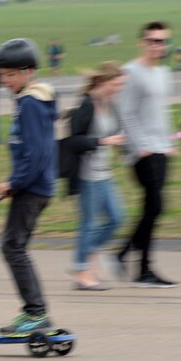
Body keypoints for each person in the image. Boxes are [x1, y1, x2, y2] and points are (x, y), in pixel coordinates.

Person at [0, 38, 58, 335]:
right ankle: (35, 312)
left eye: (11, 75)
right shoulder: (31, 101)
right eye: (2, 75)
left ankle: (35, 313)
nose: (5, 81)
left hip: (32, 189)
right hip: (34, 187)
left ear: (29, 71)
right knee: (14, 247)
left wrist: (15, 183)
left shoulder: (30, 104)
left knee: (12, 247)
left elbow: (38, 153)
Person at [113, 21, 177, 288]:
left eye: (161, 41)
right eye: (152, 41)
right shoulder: (131, 72)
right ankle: (143, 269)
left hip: (162, 147)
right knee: (155, 205)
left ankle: (124, 254)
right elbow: (125, 112)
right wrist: (140, 147)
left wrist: (171, 139)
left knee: (154, 207)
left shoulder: (164, 72)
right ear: (142, 42)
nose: (157, 46)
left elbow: (161, 110)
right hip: (142, 150)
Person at [61, 62, 128, 291]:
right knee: (88, 225)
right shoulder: (86, 106)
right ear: (103, 83)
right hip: (87, 176)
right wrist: (102, 141)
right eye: (116, 84)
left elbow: (117, 131)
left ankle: (86, 257)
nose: (119, 88)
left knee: (118, 218)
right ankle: (82, 271)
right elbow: (73, 141)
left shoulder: (110, 104)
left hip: (105, 173)